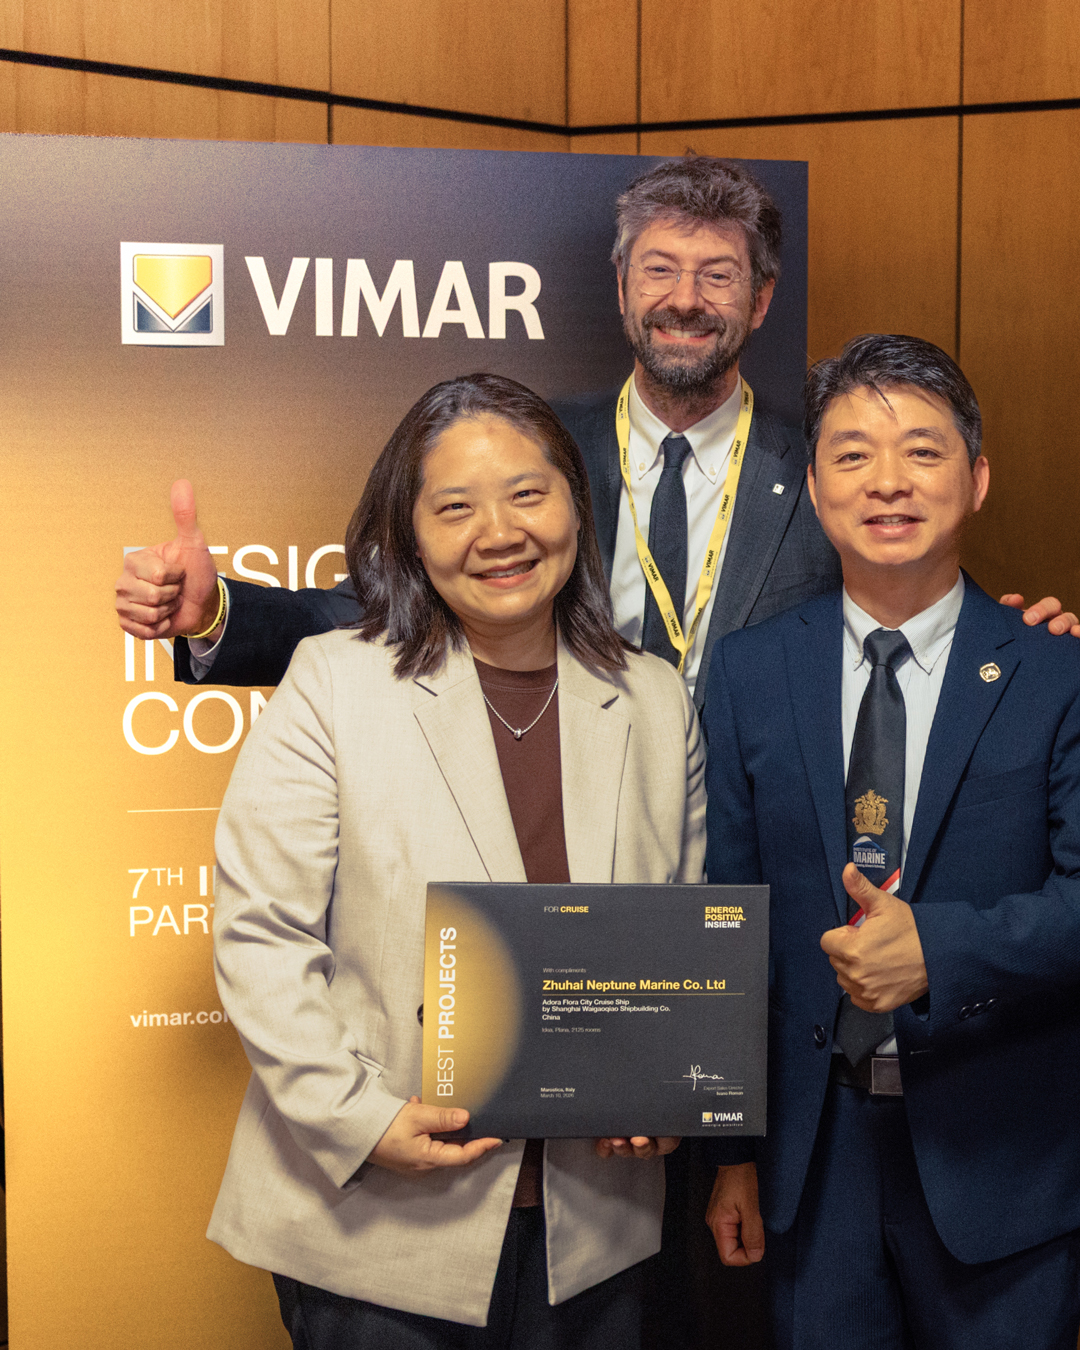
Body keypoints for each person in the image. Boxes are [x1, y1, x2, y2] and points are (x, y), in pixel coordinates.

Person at [111, 155, 1078, 693]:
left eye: (718, 275)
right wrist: (218, 613)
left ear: (761, 299)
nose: (685, 300)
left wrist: (1015, 644)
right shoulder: (534, 453)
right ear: (622, 288)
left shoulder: (827, 471)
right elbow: (378, 612)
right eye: (660, 270)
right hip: (563, 849)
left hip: (759, 873)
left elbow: (912, 605)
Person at [208, 373, 706, 1348]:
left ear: (576, 504)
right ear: (408, 533)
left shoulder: (655, 699)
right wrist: (358, 1118)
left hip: (592, 1230)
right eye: (455, 507)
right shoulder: (335, 682)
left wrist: (663, 1087)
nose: (500, 532)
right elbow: (260, 931)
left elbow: (675, 930)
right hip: (376, 1224)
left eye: (527, 494)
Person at [702, 334, 1080, 1349]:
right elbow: (728, 916)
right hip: (812, 1163)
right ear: (814, 487)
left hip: (1005, 1159)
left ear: (977, 478)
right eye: (853, 454)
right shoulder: (747, 675)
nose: (888, 481)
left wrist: (939, 954)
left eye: (922, 450)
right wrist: (729, 1151)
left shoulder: (1057, 673)